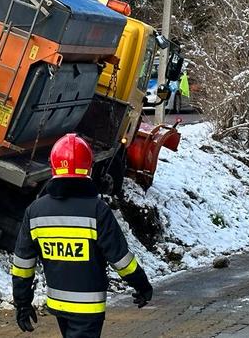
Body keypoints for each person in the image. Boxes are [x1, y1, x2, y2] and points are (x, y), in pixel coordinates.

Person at [11, 133, 153, 337]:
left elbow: (23, 264)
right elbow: (121, 259)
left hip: (59, 305)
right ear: (89, 168)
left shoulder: (35, 211)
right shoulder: (97, 210)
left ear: (53, 167)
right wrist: (141, 285)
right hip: (88, 309)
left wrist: (22, 303)